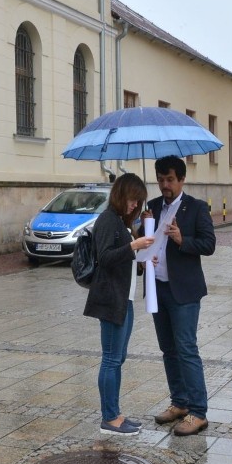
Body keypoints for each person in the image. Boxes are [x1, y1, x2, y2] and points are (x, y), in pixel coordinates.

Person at [147, 155, 216, 436]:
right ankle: (180, 403)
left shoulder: (196, 208)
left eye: (170, 180)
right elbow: (146, 242)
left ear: (182, 180)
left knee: (186, 348)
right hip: (158, 288)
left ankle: (198, 411)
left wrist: (181, 240)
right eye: (161, 180)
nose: (165, 185)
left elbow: (209, 244)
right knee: (168, 349)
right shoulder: (152, 207)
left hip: (184, 291)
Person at [84, 173, 154, 436]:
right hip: (111, 299)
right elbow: (105, 257)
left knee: (119, 357)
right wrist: (133, 245)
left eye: (139, 201)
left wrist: (141, 252)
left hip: (125, 300)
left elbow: (126, 260)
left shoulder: (122, 224)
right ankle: (109, 418)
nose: (135, 205)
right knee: (111, 359)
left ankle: (116, 412)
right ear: (121, 194)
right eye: (133, 199)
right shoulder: (107, 220)